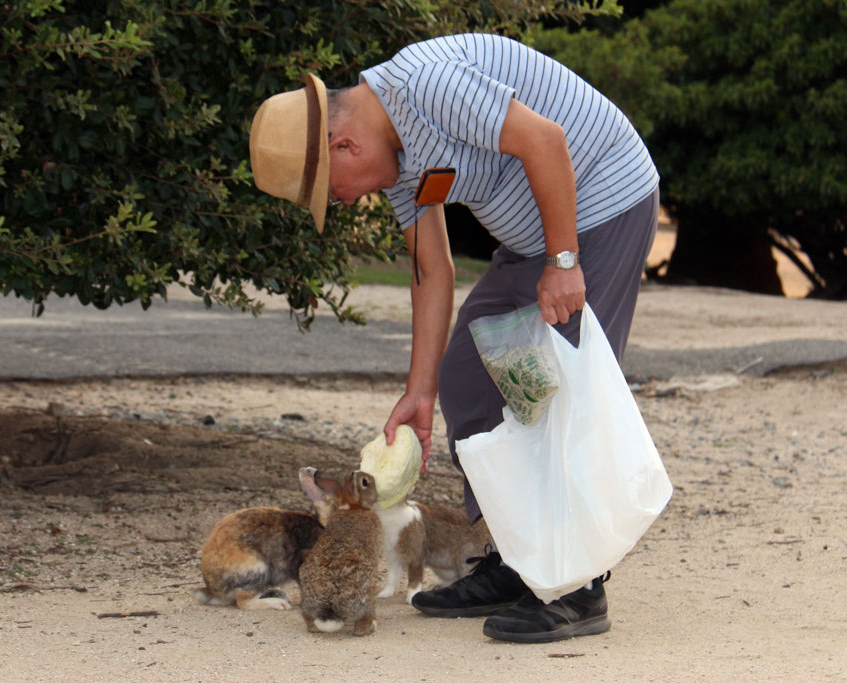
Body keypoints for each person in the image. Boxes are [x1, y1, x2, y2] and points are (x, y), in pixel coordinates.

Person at [248, 32, 659, 643]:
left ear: (345, 143)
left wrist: (565, 260)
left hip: (599, 209)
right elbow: (432, 269)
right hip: (535, 241)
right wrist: (420, 390)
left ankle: (578, 586)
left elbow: (545, 139)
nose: (350, 198)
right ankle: (517, 560)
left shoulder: (425, 87)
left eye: (338, 189)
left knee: (557, 389)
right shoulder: (394, 159)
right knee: (469, 374)